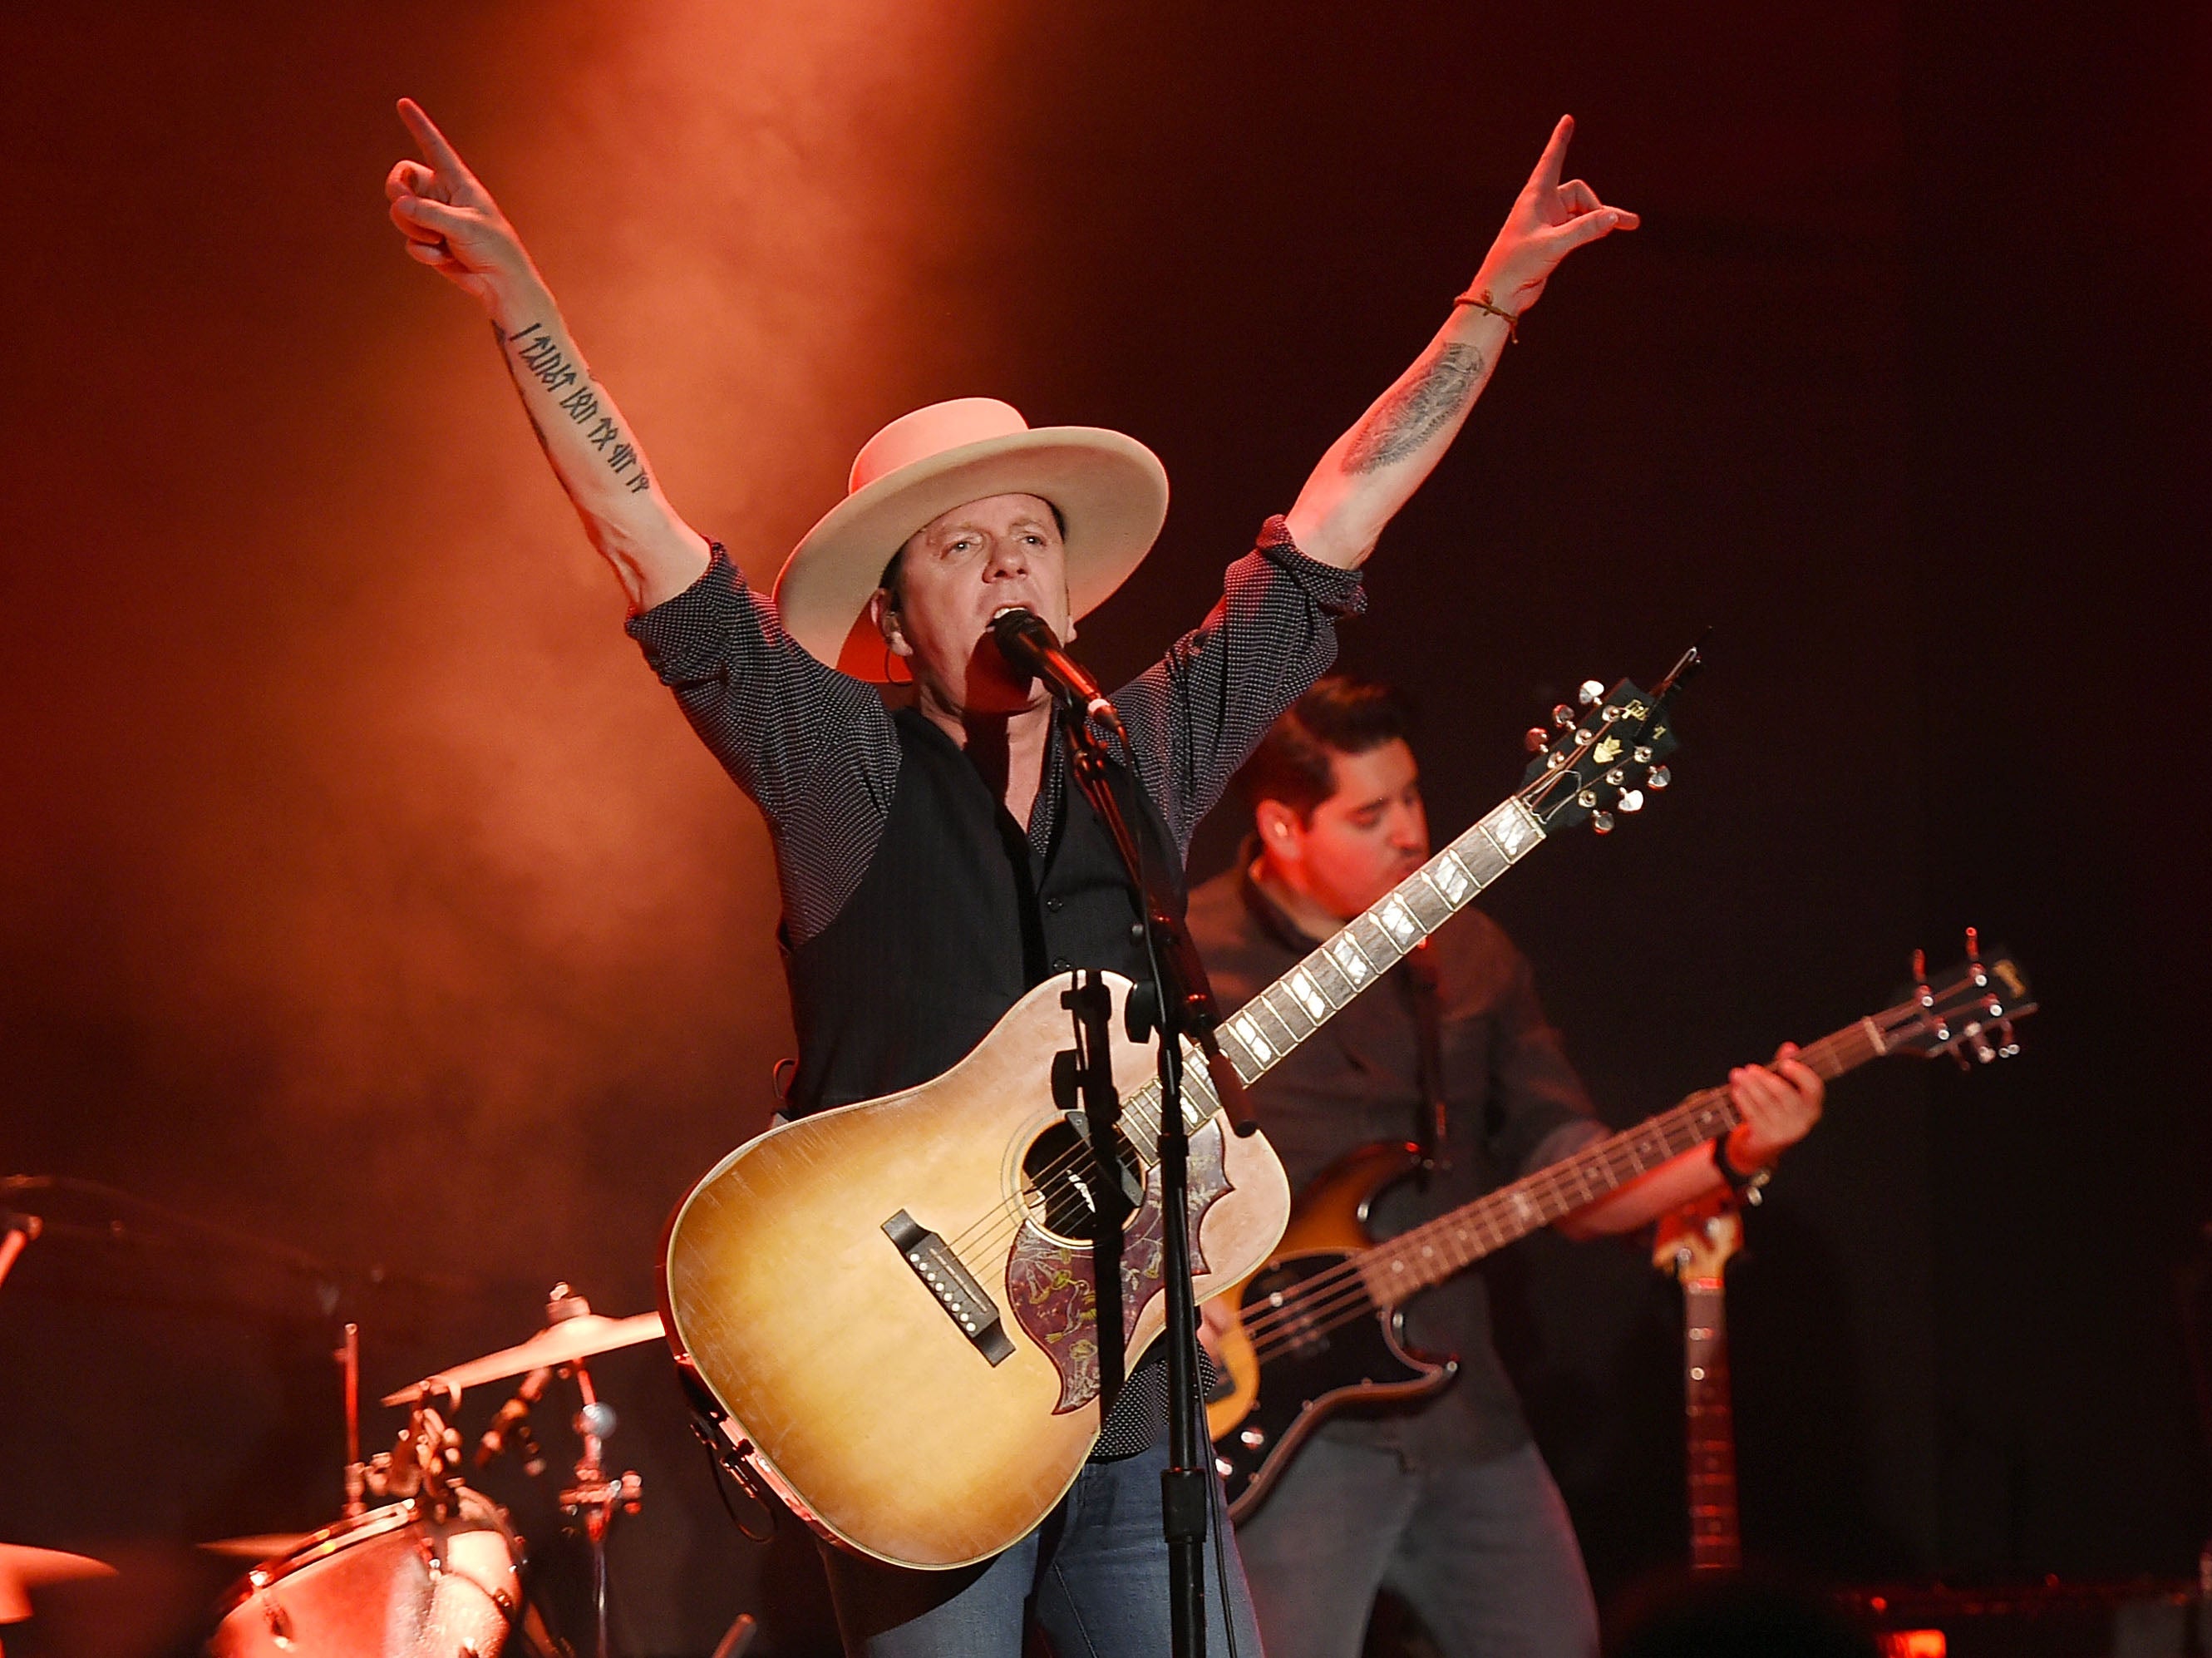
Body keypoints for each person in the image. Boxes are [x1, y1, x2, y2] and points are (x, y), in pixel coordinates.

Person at [383, 97, 1636, 1658]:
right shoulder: (841, 766)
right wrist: (524, 313)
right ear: (896, 619)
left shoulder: (1146, 752)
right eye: (957, 546)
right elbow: (655, 555)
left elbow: (1332, 524)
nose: (1006, 566)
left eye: (1029, 534)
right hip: (906, 1398)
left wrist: (1492, 303)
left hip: (1133, 1412)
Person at [1184, 677, 1825, 1658]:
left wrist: (1735, 1152)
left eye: (1411, 796)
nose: (1412, 832)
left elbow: (1571, 1172)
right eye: (1370, 813)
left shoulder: (1471, 955)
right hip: (1275, 1432)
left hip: (1465, 1409)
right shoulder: (1185, 958)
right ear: (1281, 826)